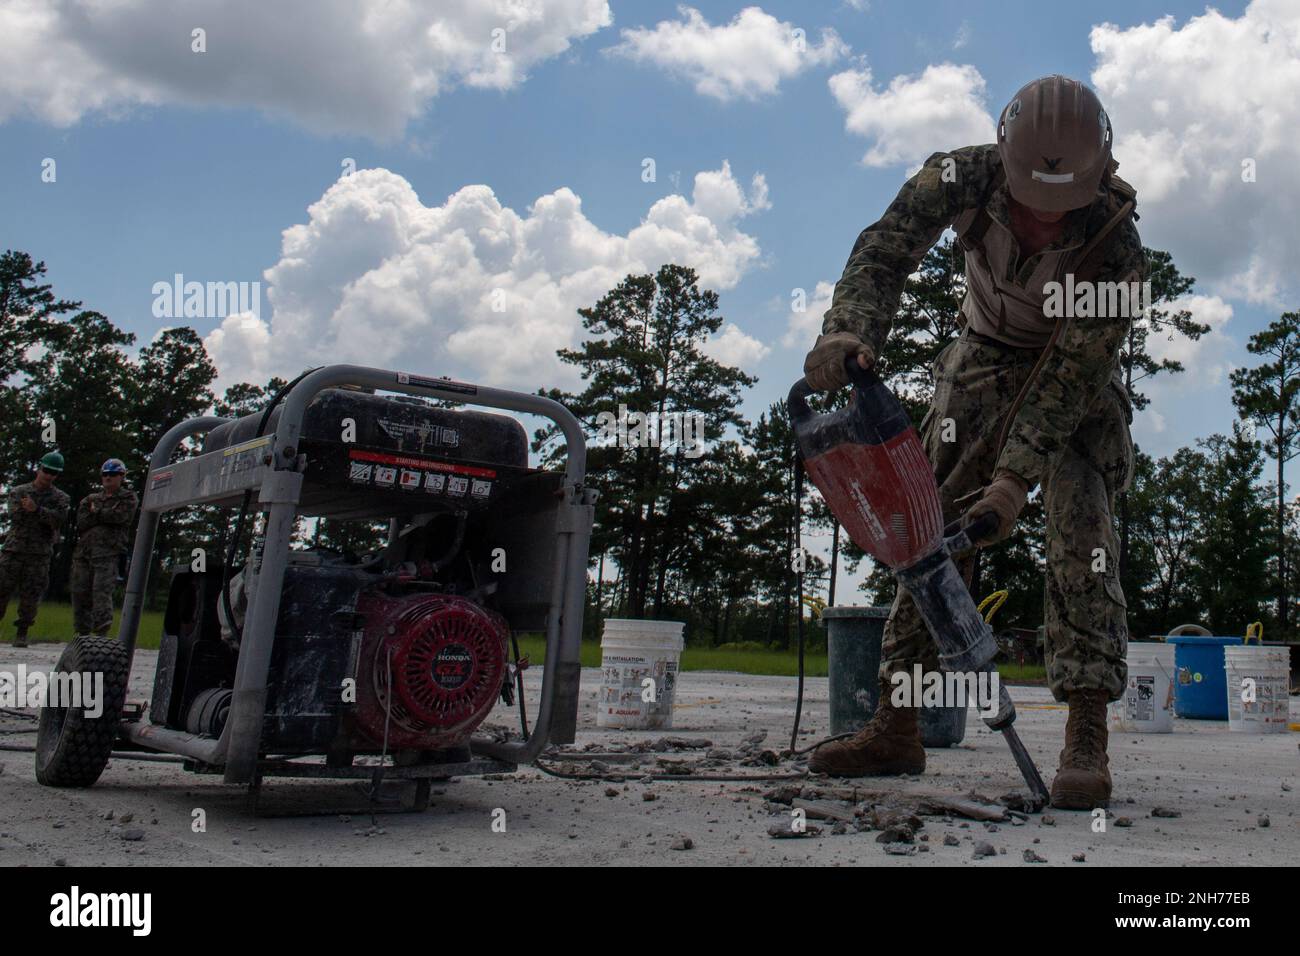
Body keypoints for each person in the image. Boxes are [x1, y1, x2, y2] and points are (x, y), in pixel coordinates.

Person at [803, 75, 1146, 809]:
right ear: (1004, 166)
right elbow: (884, 250)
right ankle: (897, 722)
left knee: (1083, 532)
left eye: (1064, 210)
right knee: (928, 530)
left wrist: (1016, 480)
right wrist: (850, 328)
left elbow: (1069, 377)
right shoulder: (958, 176)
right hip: (982, 352)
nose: (1045, 226)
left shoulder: (1117, 251)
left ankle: (1086, 731)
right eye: (1032, 206)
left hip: (1072, 379)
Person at [0, 452, 71, 646]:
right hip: (13, 551)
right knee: (2, 589)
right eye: (46, 470)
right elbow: (16, 516)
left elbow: (59, 520)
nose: (48, 476)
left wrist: (36, 510)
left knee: (31, 595)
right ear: (39, 469)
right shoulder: (19, 491)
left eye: (53, 473)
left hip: (39, 554)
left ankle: (22, 633)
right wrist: (45, 517)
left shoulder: (61, 497)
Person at [70, 458, 139, 636]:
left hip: (109, 553)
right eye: (105, 474)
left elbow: (122, 518)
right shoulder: (90, 499)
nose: (108, 478)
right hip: (84, 553)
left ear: (122, 476)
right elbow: (82, 522)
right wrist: (104, 515)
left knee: (101, 592)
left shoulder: (128, 497)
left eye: (113, 474)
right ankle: (81, 633)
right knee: (79, 592)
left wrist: (98, 513)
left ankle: (101, 632)